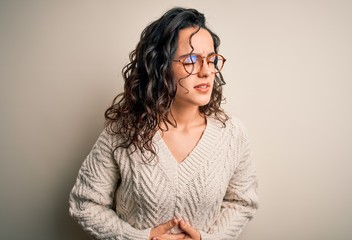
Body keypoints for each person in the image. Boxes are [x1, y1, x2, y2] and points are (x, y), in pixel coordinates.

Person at [69, 7, 258, 240]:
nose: (206, 71)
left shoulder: (232, 135)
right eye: (190, 60)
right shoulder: (122, 132)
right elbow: (84, 203)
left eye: (212, 59)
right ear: (161, 66)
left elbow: (242, 202)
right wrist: (140, 238)